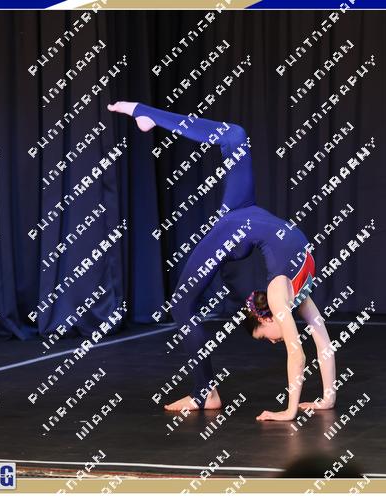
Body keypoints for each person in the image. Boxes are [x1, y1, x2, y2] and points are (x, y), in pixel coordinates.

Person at [108, 101, 337, 421]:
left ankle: (205, 392)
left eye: (267, 339)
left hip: (241, 223)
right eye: (266, 337)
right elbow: (299, 352)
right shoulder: (278, 294)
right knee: (235, 135)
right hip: (237, 222)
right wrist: (291, 411)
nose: (274, 341)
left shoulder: (294, 292)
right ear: (264, 318)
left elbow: (319, 339)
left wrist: (327, 399)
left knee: (184, 304)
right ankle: (206, 393)